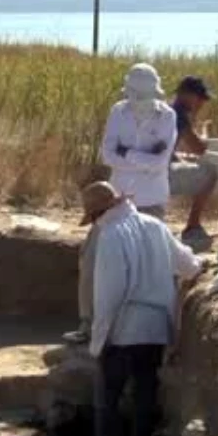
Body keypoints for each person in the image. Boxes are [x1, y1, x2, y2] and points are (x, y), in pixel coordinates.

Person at [80, 181, 204, 436]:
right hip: (156, 329)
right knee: (144, 396)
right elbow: (188, 265)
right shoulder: (155, 225)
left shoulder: (110, 235)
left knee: (108, 397)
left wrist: (98, 341)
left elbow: (109, 294)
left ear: (98, 214)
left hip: (123, 329)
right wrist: (202, 266)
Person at [65, 63, 177, 344]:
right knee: (91, 257)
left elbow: (160, 163)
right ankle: (88, 324)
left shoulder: (168, 117)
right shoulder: (119, 111)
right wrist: (143, 157)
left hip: (151, 201)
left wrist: (127, 153)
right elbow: (107, 155)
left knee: (153, 264)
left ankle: (159, 332)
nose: (137, 101)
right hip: (114, 201)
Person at [169, 75, 218, 251]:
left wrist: (181, 158)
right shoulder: (178, 115)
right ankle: (193, 226)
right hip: (160, 177)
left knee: (190, 164)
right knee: (211, 173)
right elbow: (199, 148)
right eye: (200, 98)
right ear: (186, 95)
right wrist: (205, 131)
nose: (201, 103)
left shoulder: (167, 110)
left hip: (144, 173)